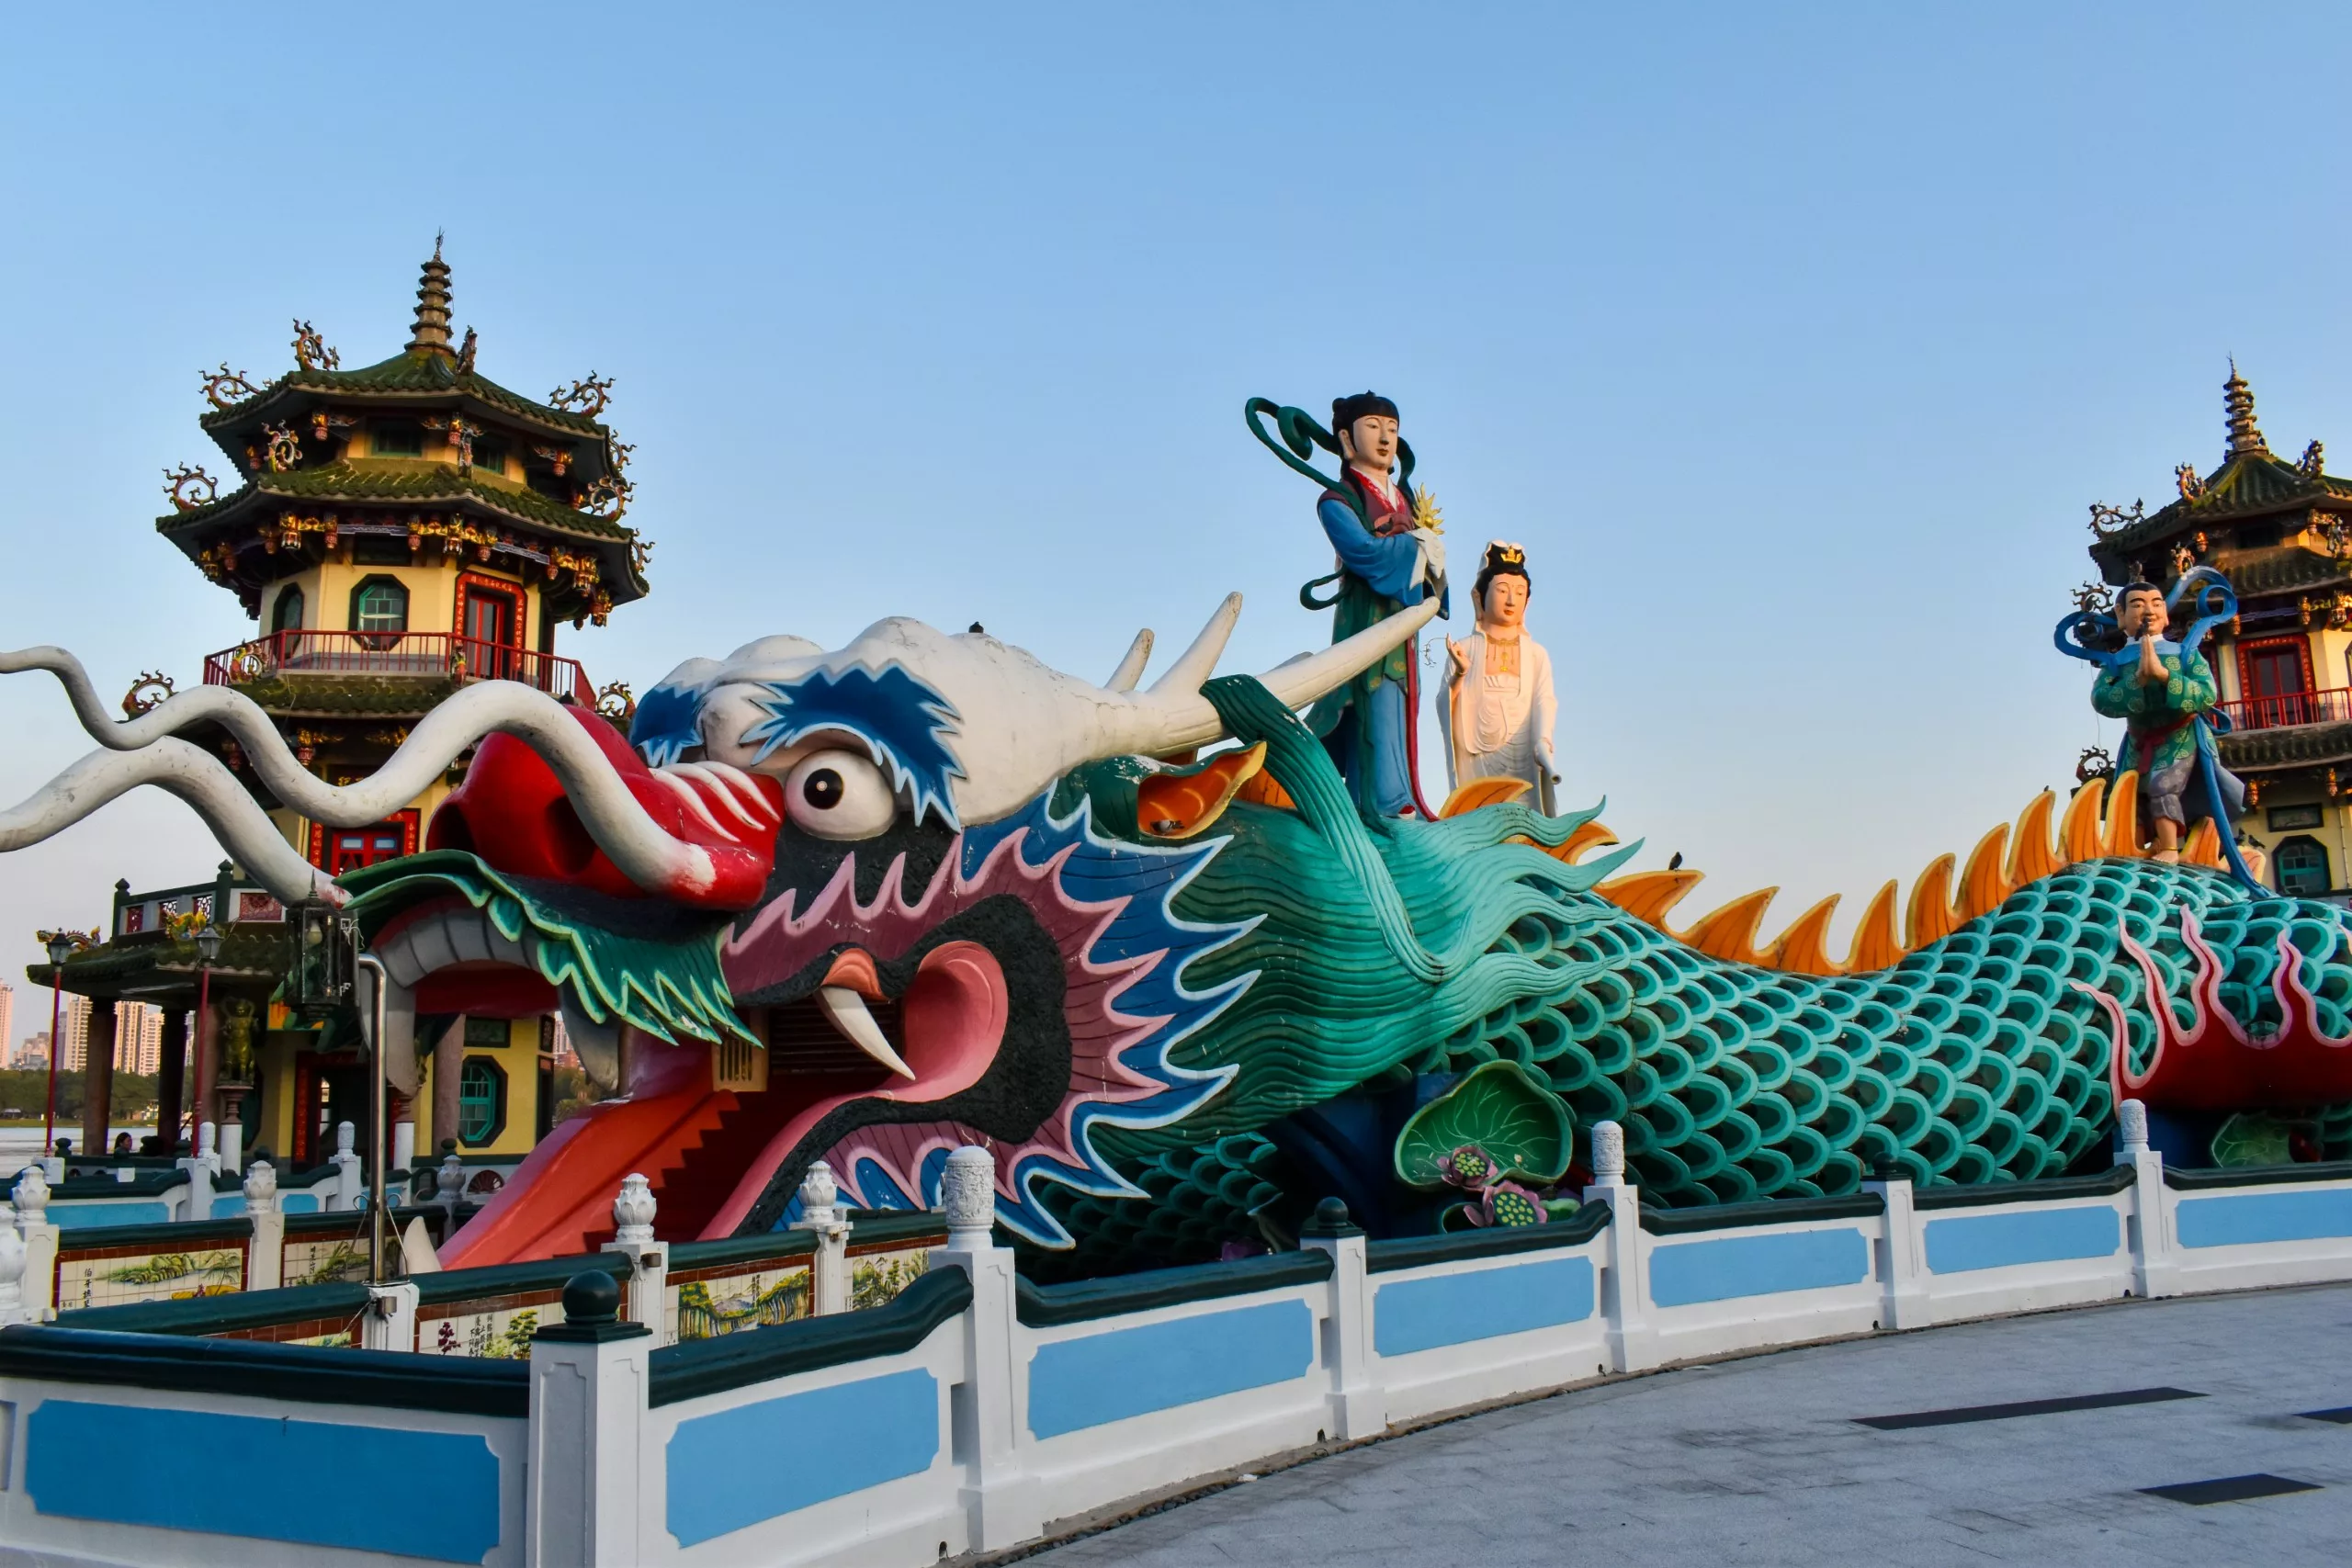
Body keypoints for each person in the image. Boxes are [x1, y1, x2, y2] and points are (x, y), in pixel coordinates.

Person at [1303, 391, 1449, 816]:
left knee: (1404, 704)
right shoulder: (1338, 501)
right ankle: (1380, 803)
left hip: (1403, 625)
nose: (1385, 439)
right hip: (1365, 620)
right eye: (1373, 427)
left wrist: (1433, 561)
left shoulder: (1406, 500)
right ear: (1347, 439)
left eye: (1392, 430)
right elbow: (1362, 551)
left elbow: (1427, 570)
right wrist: (1412, 547)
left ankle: (1407, 795)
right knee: (1373, 701)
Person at [2091, 581, 2245, 862]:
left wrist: (2165, 676)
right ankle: (2134, 848)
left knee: (2162, 785)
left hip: (2180, 734)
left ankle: (2170, 848)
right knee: (2130, 793)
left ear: (2165, 614)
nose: (2148, 611)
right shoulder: (2116, 662)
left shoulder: (2185, 654)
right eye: (2137, 604)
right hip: (2138, 739)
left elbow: (2207, 694)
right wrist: (2137, 681)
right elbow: (2102, 700)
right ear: (2120, 614)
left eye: (2156, 603)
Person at [1441, 541, 1560, 812]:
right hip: (1477, 758)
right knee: (1479, 819)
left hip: (1524, 758)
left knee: (1524, 826)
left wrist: (1543, 741)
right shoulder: (1465, 648)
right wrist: (1460, 674)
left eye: (1519, 592)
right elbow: (1445, 704)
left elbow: (1544, 701)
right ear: (1480, 596)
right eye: (1502, 590)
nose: (1510, 600)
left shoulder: (1536, 654)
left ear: (1527, 601)